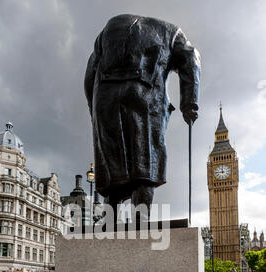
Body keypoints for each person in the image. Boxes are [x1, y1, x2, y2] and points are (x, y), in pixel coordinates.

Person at [84, 14, 200, 219]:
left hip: (104, 97)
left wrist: (94, 109)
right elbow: (191, 57)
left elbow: (90, 72)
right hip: (145, 95)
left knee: (110, 158)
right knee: (145, 158)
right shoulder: (172, 32)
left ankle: (110, 218)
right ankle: (142, 216)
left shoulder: (107, 30)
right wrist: (189, 103)